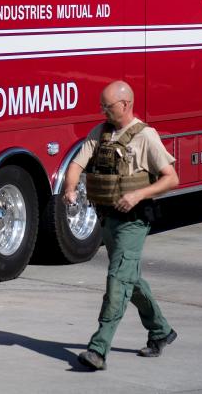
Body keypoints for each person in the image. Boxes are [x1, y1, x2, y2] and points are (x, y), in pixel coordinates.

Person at [62, 80, 179, 370]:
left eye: (108, 106)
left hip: (134, 222)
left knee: (117, 282)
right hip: (109, 219)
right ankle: (161, 331)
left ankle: (98, 349)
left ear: (126, 104)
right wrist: (70, 188)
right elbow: (77, 163)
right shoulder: (100, 133)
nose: (103, 110)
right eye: (101, 105)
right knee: (131, 280)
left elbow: (171, 178)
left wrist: (138, 193)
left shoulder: (145, 136)